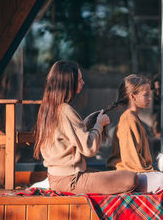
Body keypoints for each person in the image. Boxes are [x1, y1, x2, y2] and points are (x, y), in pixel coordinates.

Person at [34, 60, 138, 194]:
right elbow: (88, 148)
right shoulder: (65, 110)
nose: (83, 83)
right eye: (79, 79)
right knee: (131, 178)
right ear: (69, 83)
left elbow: (68, 137)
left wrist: (87, 122)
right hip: (70, 180)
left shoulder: (48, 109)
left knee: (113, 176)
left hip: (57, 178)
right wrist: (98, 126)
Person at [107, 74, 163, 194]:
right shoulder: (128, 119)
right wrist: (152, 172)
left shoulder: (134, 118)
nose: (150, 99)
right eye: (146, 95)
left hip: (138, 172)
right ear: (133, 97)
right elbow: (129, 160)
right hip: (128, 174)